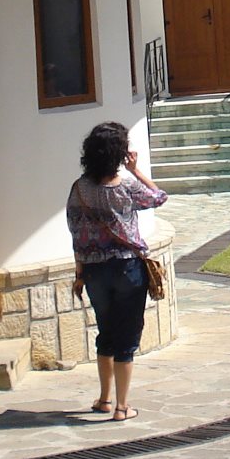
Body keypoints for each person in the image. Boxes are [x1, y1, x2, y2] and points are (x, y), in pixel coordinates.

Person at [65, 121, 168, 421]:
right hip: (127, 268)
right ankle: (123, 406)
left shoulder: (79, 190)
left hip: (95, 271)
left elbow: (76, 232)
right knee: (128, 336)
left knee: (105, 333)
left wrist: (79, 273)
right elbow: (159, 197)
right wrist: (136, 170)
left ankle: (103, 399)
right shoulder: (126, 187)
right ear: (119, 154)